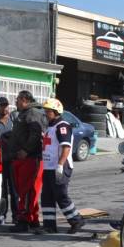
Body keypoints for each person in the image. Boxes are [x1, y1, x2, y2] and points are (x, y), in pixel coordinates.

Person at [39, 98, 86, 234]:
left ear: (56, 112)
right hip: (48, 167)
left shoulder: (62, 126)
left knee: (61, 195)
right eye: (46, 111)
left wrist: (60, 165)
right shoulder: (51, 126)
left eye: (48, 111)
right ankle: (49, 226)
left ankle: (76, 221)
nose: (46, 114)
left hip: (60, 166)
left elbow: (66, 147)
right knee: (47, 196)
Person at [9, 90, 47, 232]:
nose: (16, 102)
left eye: (17, 99)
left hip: (30, 158)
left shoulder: (32, 113)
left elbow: (35, 134)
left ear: (25, 99)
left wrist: (25, 150)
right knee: (27, 190)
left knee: (26, 190)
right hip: (24, 158)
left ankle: (24, 221)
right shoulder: (26, 113)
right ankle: (32, 219)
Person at [0, 96, 17, 226]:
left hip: (12, 160)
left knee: (14, 190)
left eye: (6, 105)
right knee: (2, 190)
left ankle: (16, 216)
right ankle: (1, 215)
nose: (5, 108)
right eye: (2, 105)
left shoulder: (12, 119)